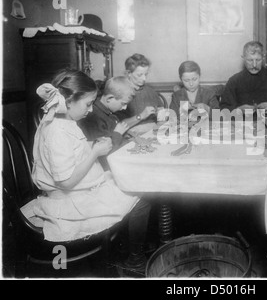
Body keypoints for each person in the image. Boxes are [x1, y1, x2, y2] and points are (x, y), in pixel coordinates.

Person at [25, 69, 152, 275]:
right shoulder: (57, 131)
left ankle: (124, 251)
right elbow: (66, 181)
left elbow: (71, 151)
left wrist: (93, 144)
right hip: (71, 201)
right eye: (88, 104)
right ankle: (133, 258)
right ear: (67, 101)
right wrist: (94, 153)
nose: (91, 110)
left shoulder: (63, 122)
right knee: (140, 195)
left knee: (127, 182)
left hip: (82, 190)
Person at [219, 41, 267, 120]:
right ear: (243, 58)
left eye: (258, 60)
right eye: (250, 60)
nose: (254, 65)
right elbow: (224, 109)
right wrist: (239, 110)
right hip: (242, 126)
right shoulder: (234, 81)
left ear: (263, 57)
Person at [117, 53, 163, 124]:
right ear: (128, 73)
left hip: (152, 130)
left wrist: (161, 115)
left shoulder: (151, 91)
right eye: (139, 75)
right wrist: (141, 116)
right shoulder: (119, 92)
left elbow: (162, 117)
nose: (144, 79)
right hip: (131, 133)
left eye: (146, 74)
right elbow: (119, 125)